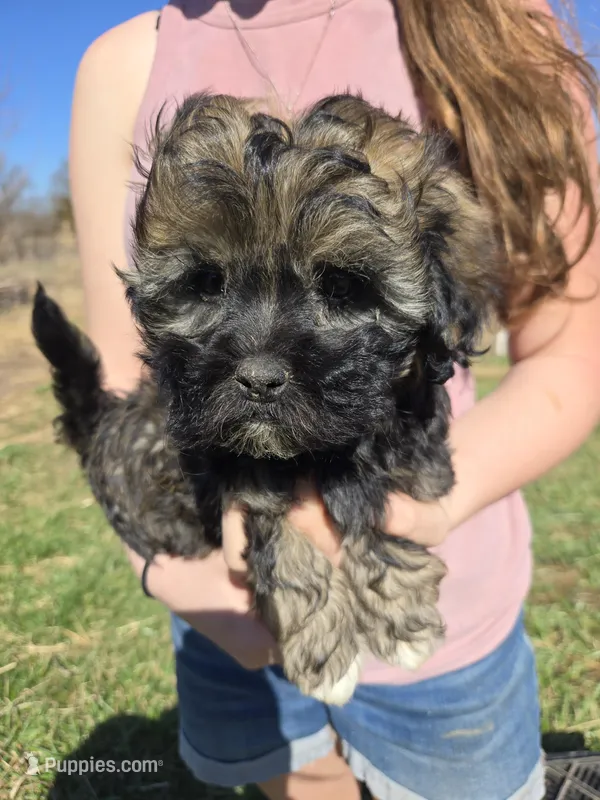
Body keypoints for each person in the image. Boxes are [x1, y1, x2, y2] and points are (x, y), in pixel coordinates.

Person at [69, 1, 600, 798]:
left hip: (452, 626)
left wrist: (425, 513)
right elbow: (124, 368)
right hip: (223, 617)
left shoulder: (499, 25)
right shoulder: (119, 63)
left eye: (345, 286)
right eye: (207, 283)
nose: (259, 361)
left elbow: (573, 350)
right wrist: (165, 570)